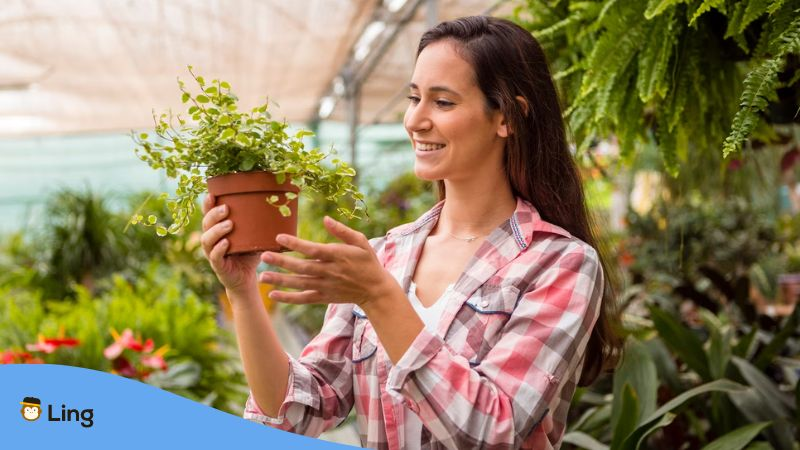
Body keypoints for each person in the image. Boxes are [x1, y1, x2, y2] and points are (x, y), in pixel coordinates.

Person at [200, 16, 622, 450]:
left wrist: (380, 298)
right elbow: (294, 414)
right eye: (414, 97)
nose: (415, 120)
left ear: (507, 118)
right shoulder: (385, 255)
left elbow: (493, 431)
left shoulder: (559, 264)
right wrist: (243, 292)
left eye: (443, 102)